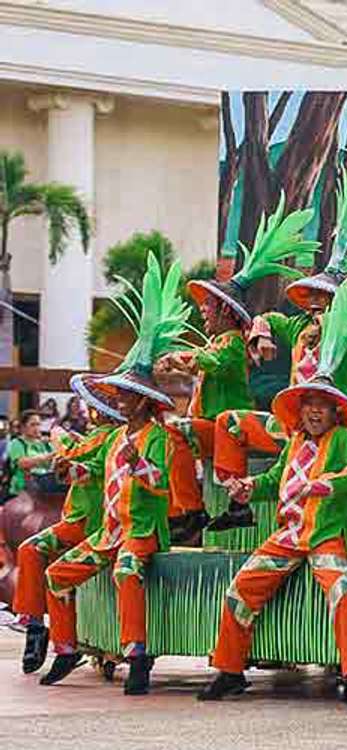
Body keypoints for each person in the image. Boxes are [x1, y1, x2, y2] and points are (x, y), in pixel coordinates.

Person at [198, 279, 347, 703]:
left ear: (335, 409)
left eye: (321, 404)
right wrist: (249, 488)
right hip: (287, 537)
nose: (315, 411)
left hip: (323, 538)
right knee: (239, 589)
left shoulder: (343, 439)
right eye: (308, 404)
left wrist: (329, 483)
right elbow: (276, 482)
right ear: (299, 409)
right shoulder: (296, 441)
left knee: (340, 592)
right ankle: (229, 670)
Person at [209, 159, 347, 532]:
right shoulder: (296, 327)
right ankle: (237, 502)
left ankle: (339, 524)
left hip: (332, 430)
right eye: (310, 293)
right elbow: (263, 317)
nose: (314, 300)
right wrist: (260, 333)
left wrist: (336, 317)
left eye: (323, 295)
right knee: (228, 422)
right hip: (292, 428)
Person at [39, 254, 194, 695]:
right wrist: (70, 468)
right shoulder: (113, 437)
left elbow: (160, 485)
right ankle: (65, 647)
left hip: (142, 532)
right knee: (56, 575)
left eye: (129, 395)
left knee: (126, 571)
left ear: (146, 401)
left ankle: (137, 654)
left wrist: (136, 465)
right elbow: (91, 471)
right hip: (108, 532)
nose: (121, 401)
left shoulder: (159, 437)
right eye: (121, 394)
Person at [159, 198, 317, 543]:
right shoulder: (219, 342)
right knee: (171, 434)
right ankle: (187, 511)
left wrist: (179, 359)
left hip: (227, 428)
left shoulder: (230, 343)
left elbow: (212, 362)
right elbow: (210, 354)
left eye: (209, 305)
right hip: (213, 429)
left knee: (196, 428)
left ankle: (219, 504)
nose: (202, 310)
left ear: (227, 313)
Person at [13, 375, 122, 674]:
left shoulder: (111, 436)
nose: (88, 411)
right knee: (29, 551)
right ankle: (36, 627)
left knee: (34, 552)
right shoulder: (96, 435)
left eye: (92, 406)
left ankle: (52, 639)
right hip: (78, 518)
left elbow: (89, 467)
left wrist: (64, 447)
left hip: (92, 523)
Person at [5, 409, 55, 498]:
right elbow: (23, 463)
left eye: (38, 424)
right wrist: (48, 456)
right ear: (23, 427)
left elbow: (56, 462)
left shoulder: (45, 444)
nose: (36, 428)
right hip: (22, 490)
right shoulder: (17, 443)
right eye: (32, 425)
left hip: (45, 487)